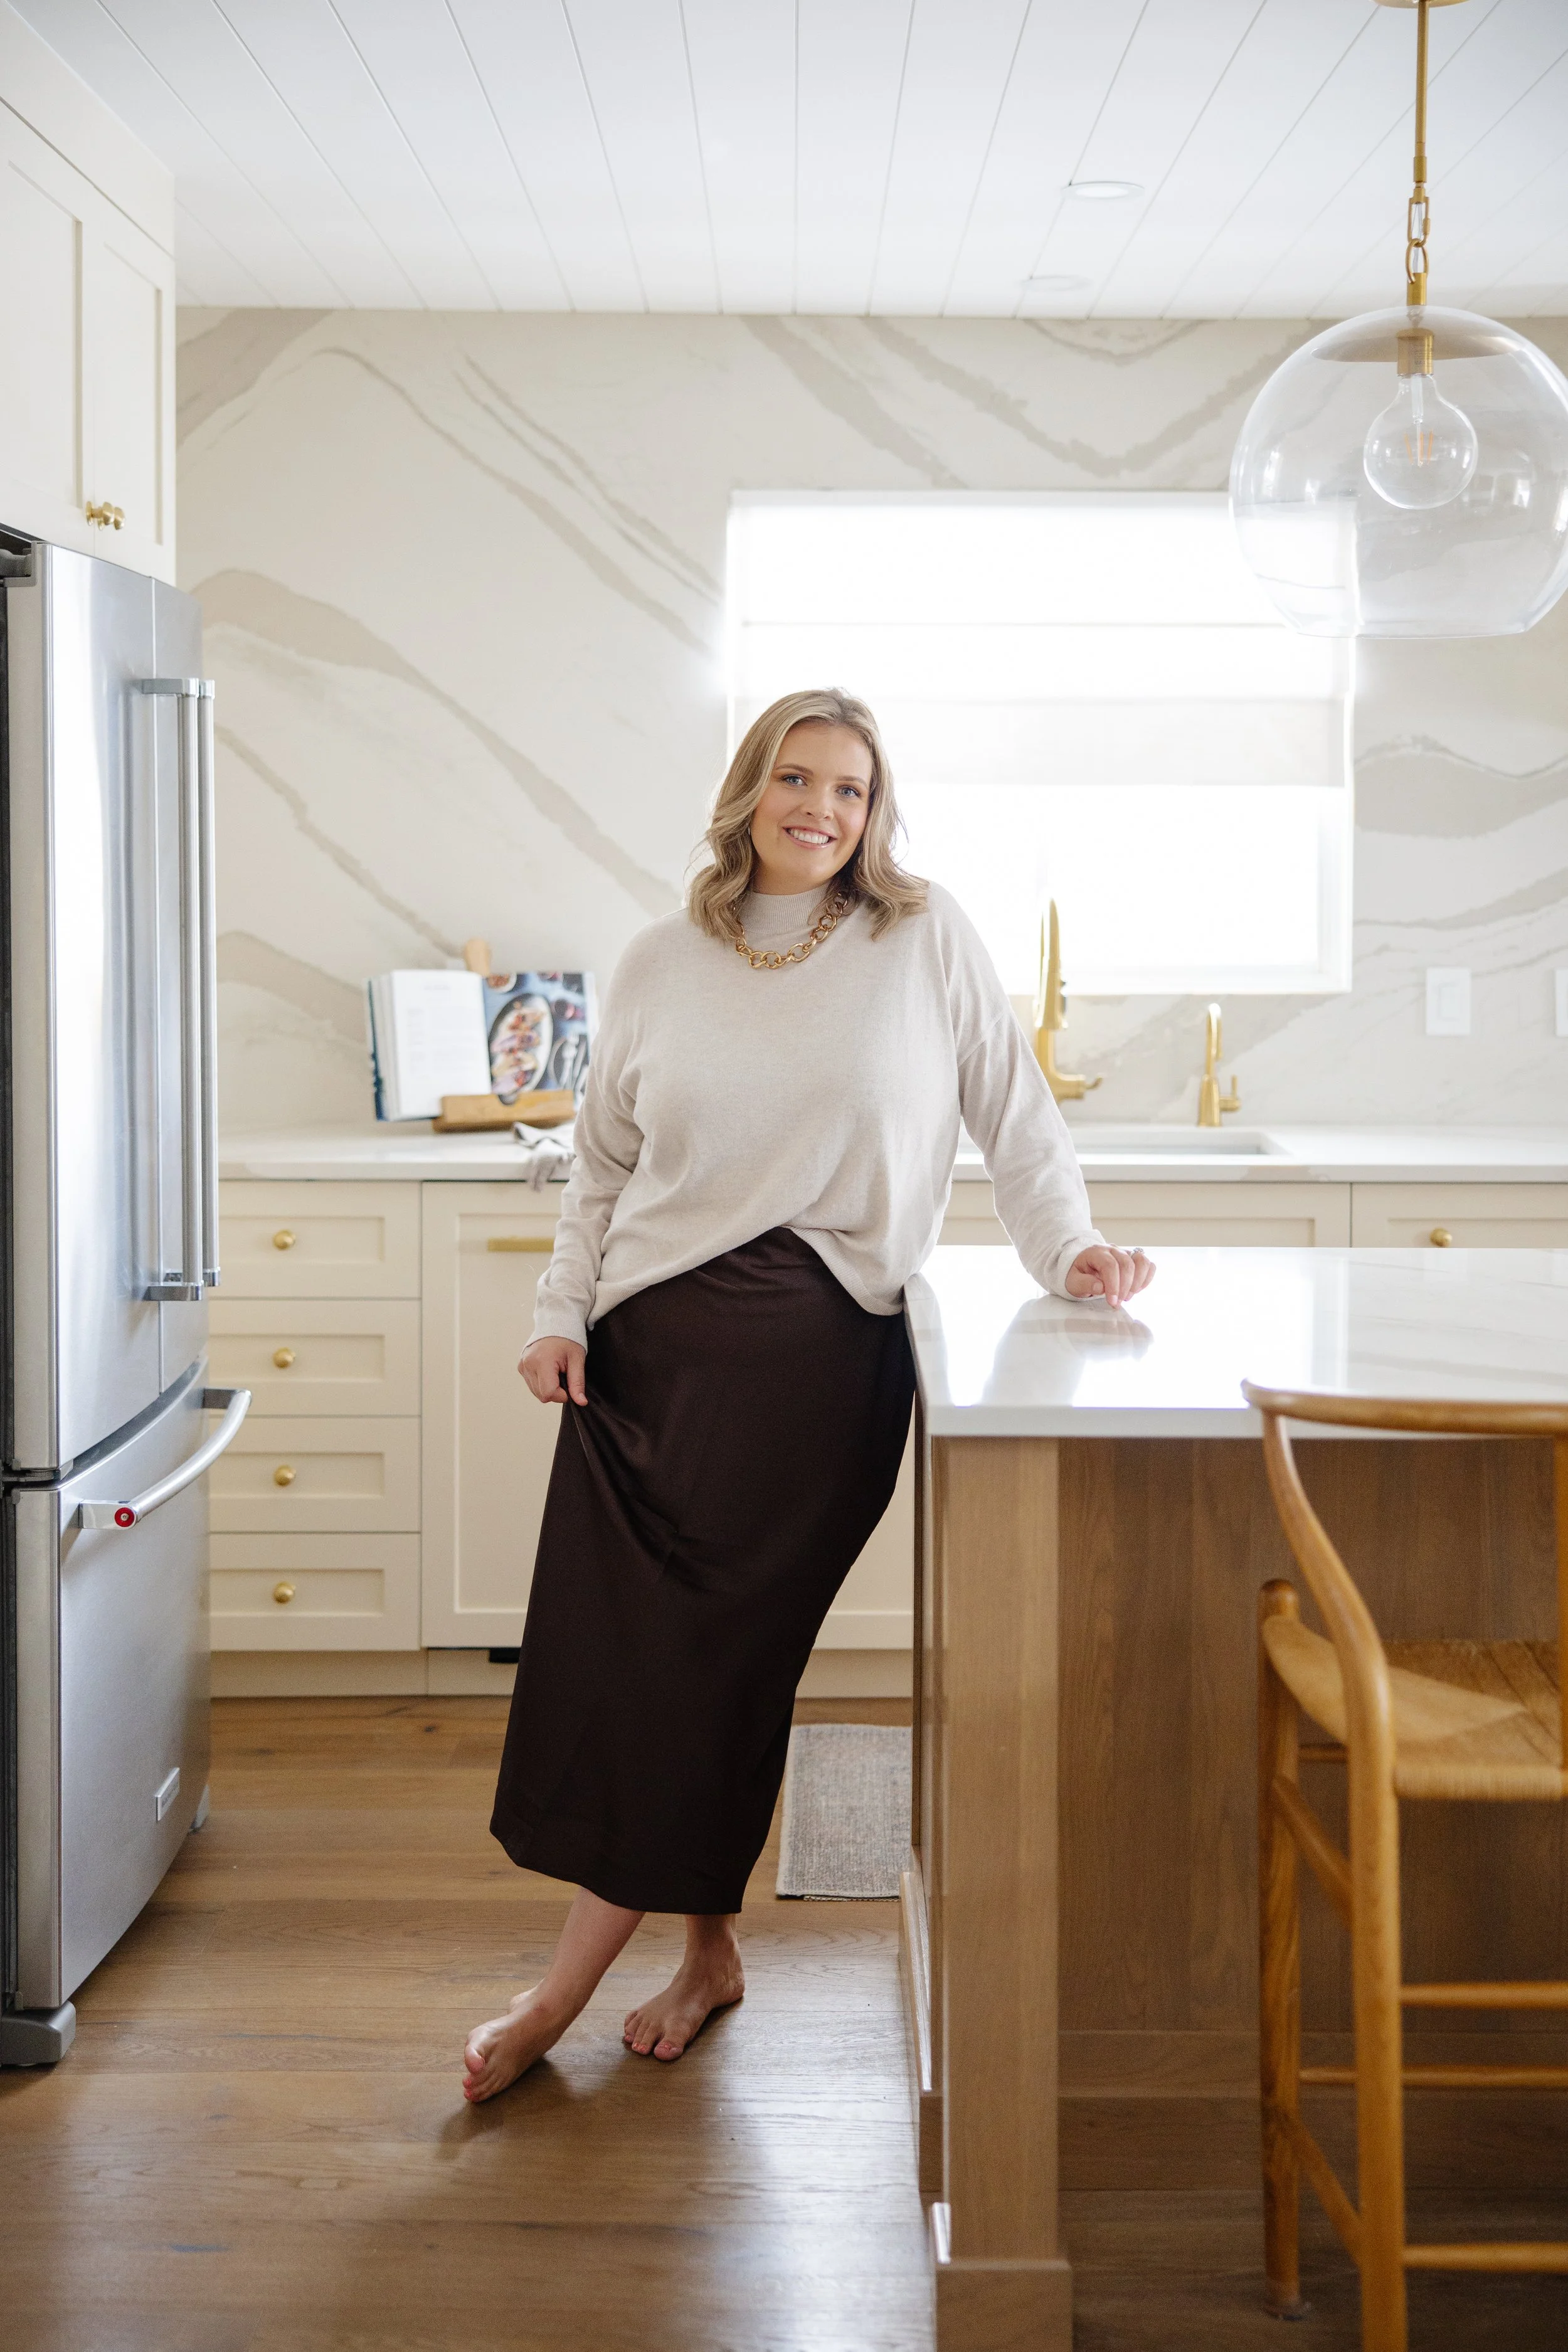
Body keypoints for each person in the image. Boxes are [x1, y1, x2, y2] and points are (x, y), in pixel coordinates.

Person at [462, 687, 1153, 2102]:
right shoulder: (659, 959)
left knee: (703, 1671)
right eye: (797, 778)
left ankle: (557, 1992)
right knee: (640, 1671)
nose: (821, 809)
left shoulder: (920, 938)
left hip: (811, 1367)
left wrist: (1067, 1247)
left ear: (874, 812)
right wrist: (555, 1315)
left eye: (850, 789)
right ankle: (704, 1952)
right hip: (638, 1364)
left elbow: (1013, 1118)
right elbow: (599, 1165)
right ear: (748, 791)